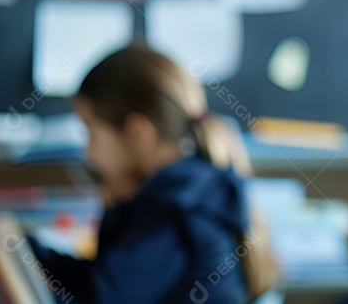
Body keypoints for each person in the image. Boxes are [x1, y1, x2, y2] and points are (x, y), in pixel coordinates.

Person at [29, 44, 277, 304]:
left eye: (91, 131)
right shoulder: (185, 187)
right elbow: (97, 279)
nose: (88, 152)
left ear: (138, 133)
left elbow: (103, 297)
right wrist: (26, 249)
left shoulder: (177, 209)